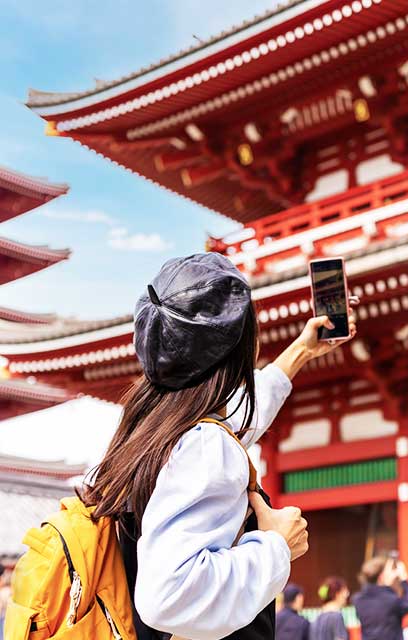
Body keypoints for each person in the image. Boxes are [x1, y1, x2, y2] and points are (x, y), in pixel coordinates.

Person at [81, 253, 357, 640]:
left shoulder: (150, 431)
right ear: (239, 347)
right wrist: (276, 545)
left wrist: (302, 351)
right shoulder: (205, 445)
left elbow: (242, 416)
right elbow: (168, 595)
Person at [352, 553, 408, 640]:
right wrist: (404, 579)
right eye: (391, 570)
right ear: (381, 577)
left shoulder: (358, 599)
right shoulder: (390, 600)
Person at [310, 576, 351, 640]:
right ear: (337, 594)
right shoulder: (336, 616)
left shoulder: (317, 618)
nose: (347, 595)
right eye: (345, 592)